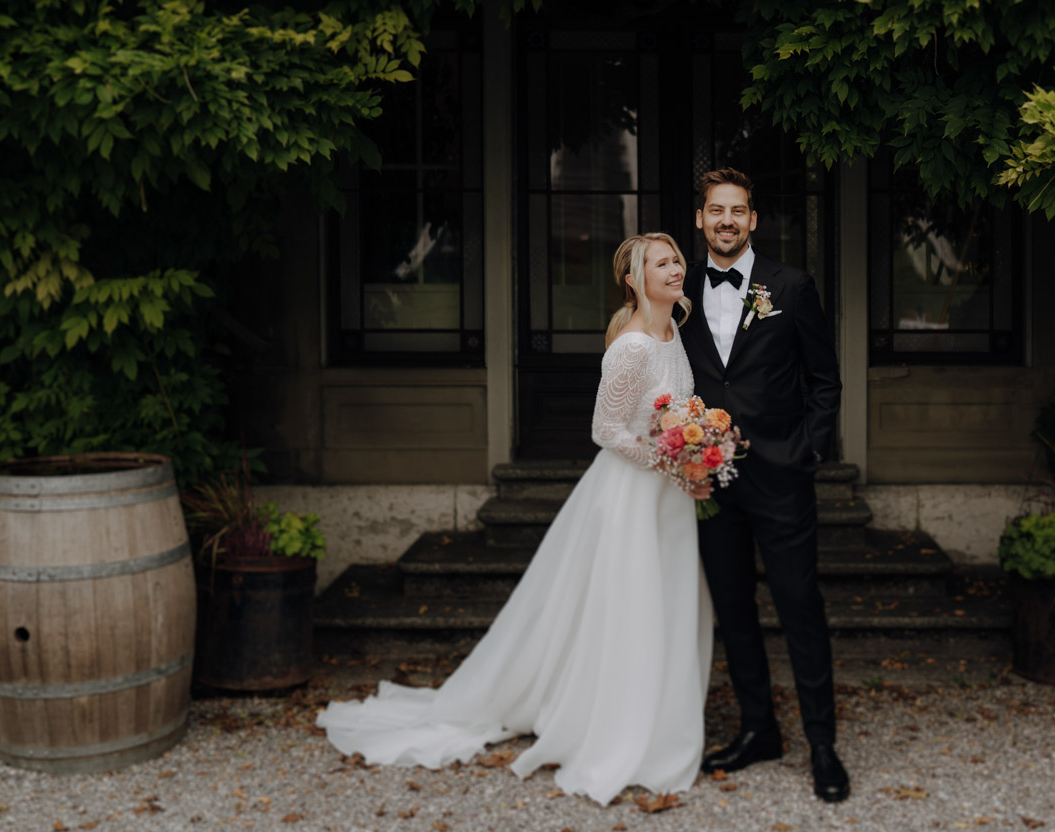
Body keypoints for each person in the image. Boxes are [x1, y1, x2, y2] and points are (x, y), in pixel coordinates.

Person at [317, 233, 713, 806]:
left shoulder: (673, 331)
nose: (675, 268)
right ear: (633, 278)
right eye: (661, 262)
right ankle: (620, 730)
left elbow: (676, 412)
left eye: (676, 258)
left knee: (670, 605)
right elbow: (605, 431)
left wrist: (696, 455)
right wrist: (672, 460)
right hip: (632, 496)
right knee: (631, 609)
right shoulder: (629, 348)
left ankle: (663, 721)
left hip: (670, 497)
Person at [681, 168, 849, 803]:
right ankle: (759, 730)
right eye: (715, 210)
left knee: (799, 606)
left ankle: (824, 746)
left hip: (781, 477)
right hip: (708, 482)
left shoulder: (792, 286)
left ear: (754, 221)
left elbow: (824, 379)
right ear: (700, 219)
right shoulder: (680, 287)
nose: (727, 220)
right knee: (734, 609)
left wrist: (808, 449)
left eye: (739, 211)